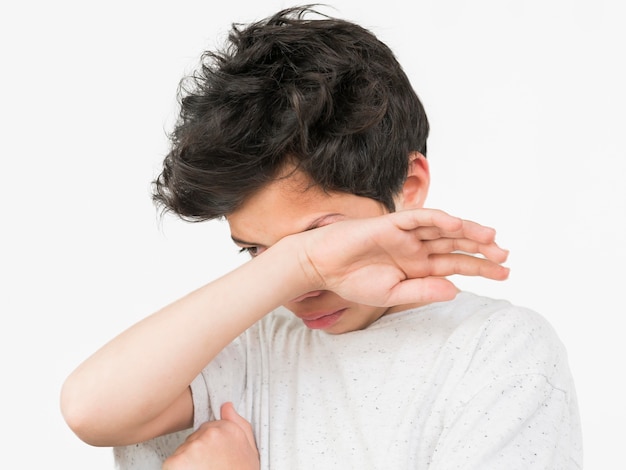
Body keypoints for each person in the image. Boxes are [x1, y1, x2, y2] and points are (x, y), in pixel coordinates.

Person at [60, 5, 583, 469]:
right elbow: (89, 410)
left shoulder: (493, 352)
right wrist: (296, 264)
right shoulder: (245, 346)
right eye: (257, 253)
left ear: (408, 186)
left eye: (319, 236)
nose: (296, 290)